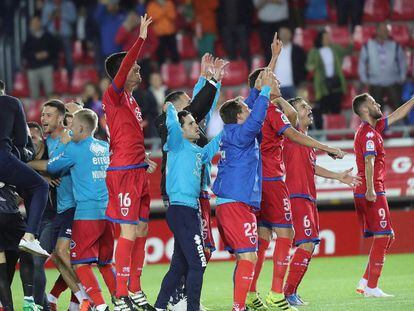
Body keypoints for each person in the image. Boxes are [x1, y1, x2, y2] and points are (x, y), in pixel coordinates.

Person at [245, 37, 345, 311]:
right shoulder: (270, 110)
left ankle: (250, 294)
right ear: (263, 84)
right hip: (274, 180)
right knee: (287, 235)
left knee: (263, 240)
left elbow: (277, 98)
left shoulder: (253, 107)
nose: (278, 82)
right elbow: (293, 133)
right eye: (274, 80)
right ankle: (277, 295)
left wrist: (274, 57)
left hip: (256, 181)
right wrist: (326, 147)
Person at [33, 109, 117, 311]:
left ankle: (99, 304)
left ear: (80, 128)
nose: (69, 129)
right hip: (108, 213)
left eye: (72, 126)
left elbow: (51, 167)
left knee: (79, 263)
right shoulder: (104, 147)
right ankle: (121, 300)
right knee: (105, 263)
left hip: (85, 214)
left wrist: (26, 163)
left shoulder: (75, 148)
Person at [282, 97, 361, 306]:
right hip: (296, 195)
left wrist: (337, 176)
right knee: (306, 243)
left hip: (308, 196)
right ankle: (287, 293)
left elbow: (312, 167)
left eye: (309, 105)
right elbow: (287, 112)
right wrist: (277, 95)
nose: (309, 108)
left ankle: (291, 291)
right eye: (303, 107)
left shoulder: (306, 141)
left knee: (310, 244)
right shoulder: (290, 134)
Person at [102, 14, 156, 310]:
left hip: (137, 169)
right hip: (122, 172)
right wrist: (141, 39)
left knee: (143, 231)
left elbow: (126, 136)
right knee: (129, 231)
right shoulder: (114, 95)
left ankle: (134, 288)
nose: (139, 72)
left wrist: (144, 157)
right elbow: (124, 66)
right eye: (135, 69)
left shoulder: (133, 102)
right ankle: (120, 292)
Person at [211, 68, 274, 311]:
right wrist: (266, 90)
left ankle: (240, 305)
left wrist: (257, 88)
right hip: (237, 204)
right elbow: (257, 116)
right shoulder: (242, 134)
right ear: (239, 117)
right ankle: (239, 307)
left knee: (246, 257)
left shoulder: (232, 130)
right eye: (244, 110)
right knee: (249, 257)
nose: (249, 108)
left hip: (233, 203)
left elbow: (247, 107)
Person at [154, 104, 222, 311]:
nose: (196, 127)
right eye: (191, 123)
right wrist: (172, 109)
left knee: (179, 266)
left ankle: (158, 307)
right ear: (181, 129)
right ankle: (192, 308)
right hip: (182, 211)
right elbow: (173, 125)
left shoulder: (196, 151)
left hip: (189, 212)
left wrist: (228, 129)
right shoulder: (176, 144)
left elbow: (210, 149)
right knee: (198, 263)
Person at [352, 93, 414, 297]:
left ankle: (365, 281)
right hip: (372, 189)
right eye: (372, 102)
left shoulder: (374, 127)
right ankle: (372, 287)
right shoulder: (369, 134)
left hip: (371, 188)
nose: (377, 103)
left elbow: (397, 115)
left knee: (387, 236)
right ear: (364, 110)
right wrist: (371, 189)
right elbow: (369, 161)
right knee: (383, 236)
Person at [29, 100, 86, 308]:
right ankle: (72, 301)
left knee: (69, 257)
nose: (43, 118)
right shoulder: (45, 144)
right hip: (60, 209)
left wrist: (32, 167)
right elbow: (44, 169)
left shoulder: (69, 138)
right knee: (61, 257)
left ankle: (86, 300)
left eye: (48, 115)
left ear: (61, 118)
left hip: (78, 206)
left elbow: (54, 166)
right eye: (42, 114)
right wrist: (41, 175)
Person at [0, 80, 49, 257]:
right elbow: (22, 140)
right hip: (3, 160)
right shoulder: (11, 102)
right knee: (39, 186)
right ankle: (30, 237)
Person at [28, 122, 58, 311]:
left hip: (53, 217)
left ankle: (41, 306)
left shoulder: (53, 155)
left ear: (42, 137)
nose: (32, 140)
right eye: (28, 137)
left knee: (37, 262)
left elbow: (55, 168)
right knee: (31, 263)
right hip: (33, 220)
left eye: (35, 136)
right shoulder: (22, 159)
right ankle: (45, 304)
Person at [358, 22, 407, 111]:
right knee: (376, 111)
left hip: (393, 81)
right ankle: (377, 124)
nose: (385, 32)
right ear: (377, 31)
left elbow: (402, 61)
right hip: (375, 82)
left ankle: (401, 123)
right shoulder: (367, 46)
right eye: (383, 30)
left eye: (387, 30)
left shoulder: (395, 46)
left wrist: (402, 77)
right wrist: (364, 79)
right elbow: (362, 64)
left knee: (399, 108)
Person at [22, 15, 58, 99]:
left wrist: (47, 53)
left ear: (40, 23)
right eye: (33, 23)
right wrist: (35, 55)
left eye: (37, 22)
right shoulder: (28, 38)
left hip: (47, 66)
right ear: (30, 25)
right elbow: (24, 54)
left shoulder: (48, 36)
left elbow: (55, 50)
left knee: (50, 94)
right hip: (32, 68)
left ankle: (51, 111)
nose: (35, 24)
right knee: (34, 95)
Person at [273, 27, 306, 99]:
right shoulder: (273, 49)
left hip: (294, 86)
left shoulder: (298, 50)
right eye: (282, 33)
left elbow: (302, 67)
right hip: (277, 87)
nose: (284, 35)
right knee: (279, 110)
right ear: (279, 35)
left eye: (286, 33)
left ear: (291, 34)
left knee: (296, 108)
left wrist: (301, 82)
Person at [146, 0, 180, 65]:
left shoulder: (169, 3)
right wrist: (164, 11)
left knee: (174, 52)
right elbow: (151, 18)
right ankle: (161, 70)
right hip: (159, 34)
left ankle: (177, 69)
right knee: (161, 54)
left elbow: (173, 16)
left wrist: (161, 13)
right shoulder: (151, 5)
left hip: (170, 32)